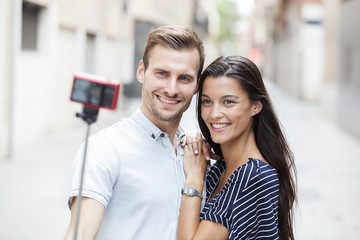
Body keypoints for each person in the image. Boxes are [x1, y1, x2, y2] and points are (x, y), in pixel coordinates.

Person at [64, 25, 208, 240]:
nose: (171, 88)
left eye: (184, 78)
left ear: (197, 84)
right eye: (162, 73)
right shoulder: (104, 149)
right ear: (141, 71)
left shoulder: (198, 154)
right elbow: (81, 233)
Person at [177, 56, 297, 240]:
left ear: (255, 106)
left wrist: (193, 179)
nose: (214, 114)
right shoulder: (220, 170)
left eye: (228, 102)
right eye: (207, 101)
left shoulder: (253, 175)